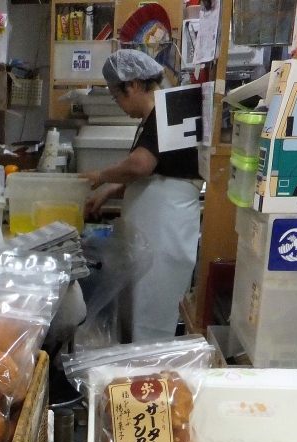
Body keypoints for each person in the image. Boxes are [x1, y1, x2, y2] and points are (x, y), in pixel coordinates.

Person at [84, 49, 203, 343]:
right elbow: (160, 172)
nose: (119, 104)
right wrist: (112, 190)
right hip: (156, 231)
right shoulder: (158, 115)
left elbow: (141, 165)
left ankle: (148, 370)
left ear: (134, 84)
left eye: (117, 96)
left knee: (151, 314)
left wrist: (101, 176)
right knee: (140, 311)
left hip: (164, 232)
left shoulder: (166, 112)